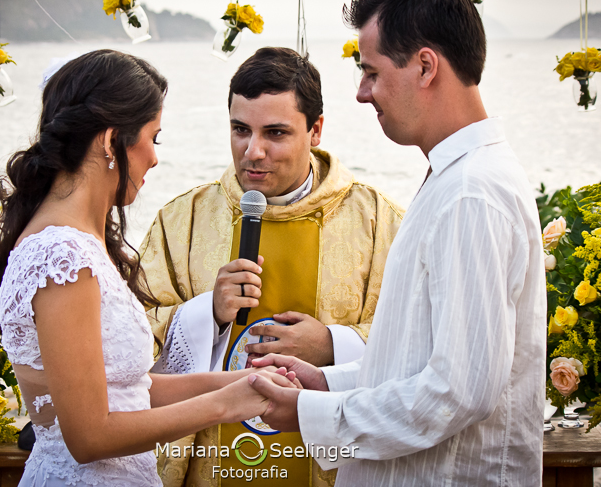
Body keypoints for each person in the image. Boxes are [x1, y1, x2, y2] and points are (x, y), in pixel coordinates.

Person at [249, 0, 548, 486]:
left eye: (371, 72)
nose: (362, 93)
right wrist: (325, 382)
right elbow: (420, 357)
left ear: (426, 66)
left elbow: (459, 390)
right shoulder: (458, 177)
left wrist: (313, 415)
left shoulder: (471, 193)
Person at [0, 50, 299, 487]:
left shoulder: (75, 241)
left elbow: (131, 391)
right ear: (109, 140)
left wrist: (242, 381)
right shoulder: (62, 256)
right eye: (153, 138)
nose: (154, 158)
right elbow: (89, 437)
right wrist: (226, 406)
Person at [139, 47, 404, 486]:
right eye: (240, 130)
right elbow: (129, 344)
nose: (253, 151)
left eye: (275, 133)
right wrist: (208, 314)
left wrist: (333, 346)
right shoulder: (182, 220)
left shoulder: (377, 221)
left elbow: (417, 343)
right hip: (214, 458)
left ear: (315, 130)